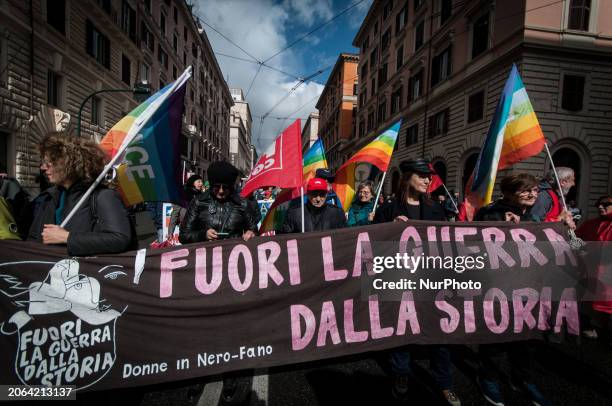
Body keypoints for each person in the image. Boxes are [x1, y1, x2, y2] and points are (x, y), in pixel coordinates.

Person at [373, 159, 460, 406]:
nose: (427, 180)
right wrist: (389, 230)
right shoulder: (388, 210)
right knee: (403, 333)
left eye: (429, 176)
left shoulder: (436, 209)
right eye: (421, 175)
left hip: (432, 282)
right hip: (400, 282)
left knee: (440, 332)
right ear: (407, 177)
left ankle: (444, 383)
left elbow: (446, 243)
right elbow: (370, 247)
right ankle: (401, 375)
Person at [474, 173, 551, 406]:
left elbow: (575, 246)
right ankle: (487, 377)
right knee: (496, 336)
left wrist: (568, 229)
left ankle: (523, 379)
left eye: (536, 191)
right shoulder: (489, 213)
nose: (533, 194)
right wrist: (500, 226)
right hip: (498, 288)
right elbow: (472, 243)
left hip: (530, 288)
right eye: (526, 190)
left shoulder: (536, 216)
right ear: (508, 192)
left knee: (526, 340)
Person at [26, 134, 133, 257]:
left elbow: (120, 238)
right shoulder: (49, 198)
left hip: (85, 273)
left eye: (50, 162)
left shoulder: (103, 196)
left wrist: (68, 237)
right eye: (43, 162)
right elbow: (33, 238)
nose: (43, 168)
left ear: (70, 162)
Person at [179, 161, 257, 243]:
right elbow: (183, 236)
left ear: (231, 187)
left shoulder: (242, 203)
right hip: (206, 254)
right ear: (211, 185)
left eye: (225, 187)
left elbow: (254, 231)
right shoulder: (198, 202)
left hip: (233, 253)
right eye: (216, 187)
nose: (221, 191)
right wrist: (203, 235)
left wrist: (251, 233)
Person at [576, 195, 612, 341]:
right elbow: (577, 241)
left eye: (606, 204)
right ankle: (589, 327)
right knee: (587, 302)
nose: (600, 207)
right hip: (590, 271)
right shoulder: (590, 224)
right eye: (598, 204)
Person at [280, 177, 346, 233]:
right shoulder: (294, 214)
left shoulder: (337, 213)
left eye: (322, 194)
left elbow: (344, 237)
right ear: (308, 194)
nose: (318, 199)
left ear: (326, 194)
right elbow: (285, 238)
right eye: (314, 194)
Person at [167, 174, 204, 240]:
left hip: (200, 230)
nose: (201, 184)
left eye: (201, 182)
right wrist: (170, 232)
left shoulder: (202, 195)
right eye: (198, 182)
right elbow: (175, 214)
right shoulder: (183, 196)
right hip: (187, 229)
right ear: (193, 183)